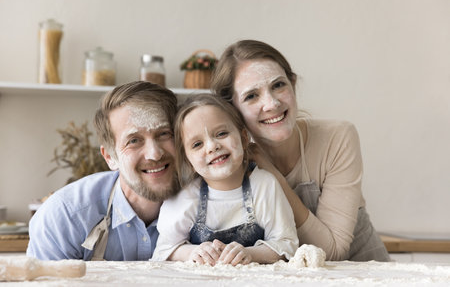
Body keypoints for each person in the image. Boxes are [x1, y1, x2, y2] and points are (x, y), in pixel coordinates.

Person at [210, 40, 390, 262]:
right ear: (232, 109)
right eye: (251, 96)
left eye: (278, 85)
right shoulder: (228, 163)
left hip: (365, 272)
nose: (272, 103)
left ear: (292, 84)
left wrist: (272, 174)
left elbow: (332, 252)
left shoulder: (337, 138)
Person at [26, 81, 180, 261]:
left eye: (164, 134)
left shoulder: (209, 204)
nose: (155, 154)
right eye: (134, 141)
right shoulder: (65, 217)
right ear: (109, 157)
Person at [151, 94, 298, 266]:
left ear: (244, 138)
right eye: (197, 144)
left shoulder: (264, 185)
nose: (212, 146)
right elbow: (163, 250)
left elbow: (287, 245)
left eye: (221, 133)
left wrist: (250, 254)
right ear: (188, 161)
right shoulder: (186, 195)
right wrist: (192, 252)